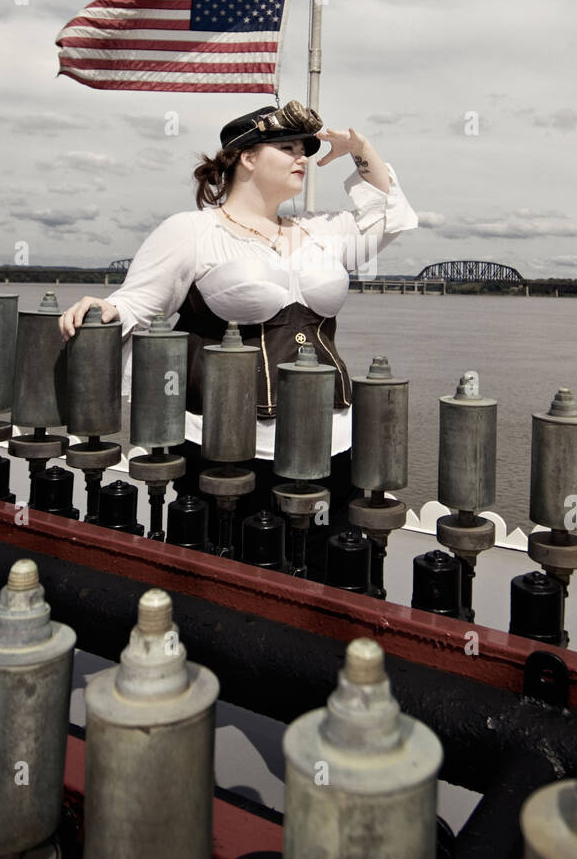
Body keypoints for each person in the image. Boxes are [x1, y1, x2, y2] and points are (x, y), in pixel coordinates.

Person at [59, 100, 418, 577]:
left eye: (304, 149)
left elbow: (388, 216)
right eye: (286, 147)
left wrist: (359, 148)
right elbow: (137, 303)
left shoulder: (319, 231)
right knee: (229, 572)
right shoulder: (192, 231)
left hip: (331, 441)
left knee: (331, 573)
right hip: (225, 445)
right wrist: (99, 309)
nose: (302, 159)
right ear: (247, 157)